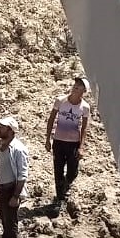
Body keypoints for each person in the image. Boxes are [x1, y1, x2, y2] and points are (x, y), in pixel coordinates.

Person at [45, 77, 91, 212]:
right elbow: (51, 119)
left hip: (73, 144)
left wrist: (81, 147)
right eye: (76, 84)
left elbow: (84, 128)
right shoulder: (60, 101)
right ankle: (60, 198)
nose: (76, 86)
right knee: (58, 170)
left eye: (80, 86)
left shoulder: (85, 107)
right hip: (59, 141)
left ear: (84, 91)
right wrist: (48, 139)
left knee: (72, 172)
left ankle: (65, 186)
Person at [0, 115, 29, 238]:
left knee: (11, 219)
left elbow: (22, 175)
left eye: (2, 127)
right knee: (4, 217)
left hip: (11, 189)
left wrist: (15, 196)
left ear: (10, 131)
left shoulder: (18, 149)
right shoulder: (2, 145)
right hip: (2, 187)